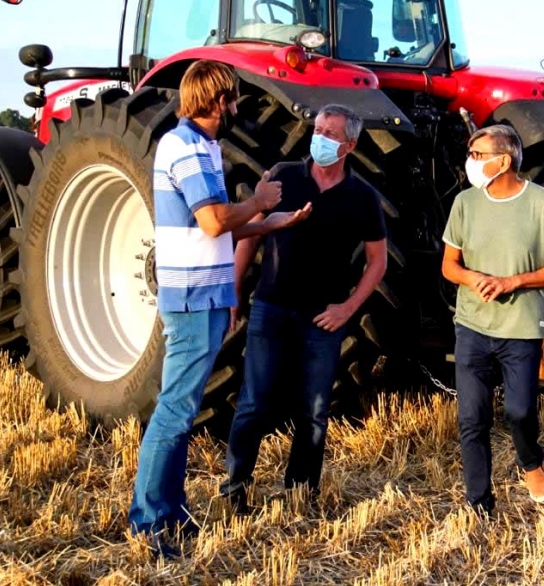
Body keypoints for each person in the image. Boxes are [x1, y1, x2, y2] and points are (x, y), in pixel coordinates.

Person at [128, 59, 311, 557]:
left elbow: (221, 227)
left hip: (208, 294)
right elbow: (212, 221)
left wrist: (274, 221)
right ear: (213, 101)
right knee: (175, 410)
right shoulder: (182, 146)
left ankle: (171, 510)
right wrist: (259, 199)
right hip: (189, 297)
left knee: (182, 411)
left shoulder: (206, 147)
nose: (235, 106)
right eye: (230, 98)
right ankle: (148, 521)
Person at [220, 103, 387, 511]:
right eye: (317, 128)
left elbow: (377, 260)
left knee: (313, 410)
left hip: (323, 319)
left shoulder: (364, 197)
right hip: (271, 308)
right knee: (255, 401)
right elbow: (250, 236)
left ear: (349, 144)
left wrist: (347, 309)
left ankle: (299, 493)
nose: (320, 138)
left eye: (330, 133)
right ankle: (235, 488)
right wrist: (234, 291)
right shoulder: (282, 177)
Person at [441, 124, 544, 517]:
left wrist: (513, 281)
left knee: (519, 411)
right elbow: (449, 265)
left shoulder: (543, 203)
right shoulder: (465, 203)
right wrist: (473, 277)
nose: (471, 162)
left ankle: (530, 462)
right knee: (472, 419)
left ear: (505, 159)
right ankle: (479, 503)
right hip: (472, 325)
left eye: (478, 155)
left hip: (520, 327)